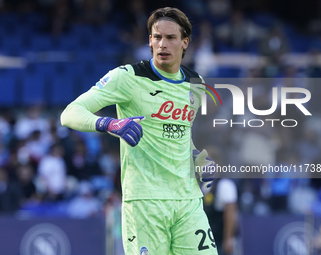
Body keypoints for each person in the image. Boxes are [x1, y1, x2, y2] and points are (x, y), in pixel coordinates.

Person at [61, 7, 216, 254]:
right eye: (157, 37)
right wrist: (108, 124)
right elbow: (69, 113)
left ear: (185, 42)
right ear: (149, 41)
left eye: (171, 38)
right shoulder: (127, 77)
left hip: (188, 200)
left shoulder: (196, 84)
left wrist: (197, 158)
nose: (162, 44)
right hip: (145, 201)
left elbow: (180, 134)